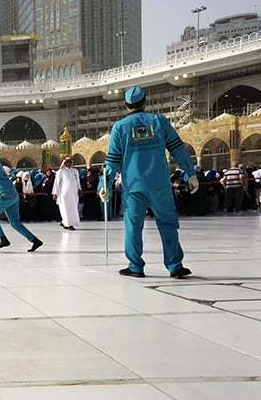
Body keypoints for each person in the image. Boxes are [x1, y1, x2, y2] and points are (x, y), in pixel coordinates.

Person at [100, 86, 197, 279]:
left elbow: (112, 162)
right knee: (168, 223)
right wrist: (190, 172)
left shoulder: (120, 127)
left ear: (126, 105)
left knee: (133, 226)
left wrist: (104, 185)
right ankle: (175, 265)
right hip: (160, 184)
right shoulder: (159, 121)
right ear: (145, 102)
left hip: (134, 187)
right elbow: (178, 148)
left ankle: (135, 266)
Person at [52, 157, 81, 230]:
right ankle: (68, 224)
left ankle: (67, 222)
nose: (69, 163)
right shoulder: (60, 172)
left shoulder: (75, 171)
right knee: (65, 209)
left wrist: (79, 189)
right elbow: (57, 183)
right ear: (64, 163)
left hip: (74, 194)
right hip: (64, 194)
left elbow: (78, 181)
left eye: (70, 162)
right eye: (67, 162)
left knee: (73, 209)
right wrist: (55, 193)